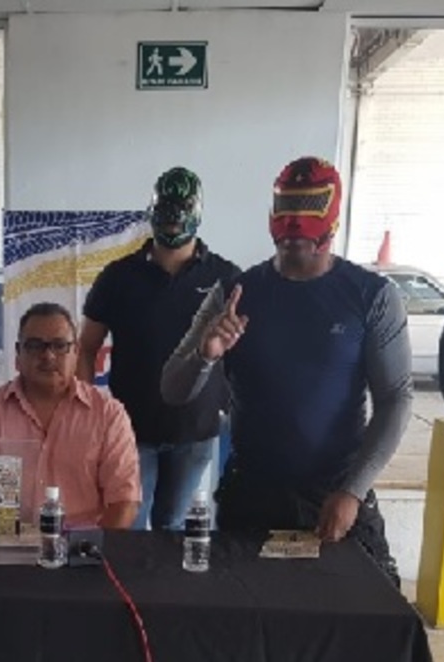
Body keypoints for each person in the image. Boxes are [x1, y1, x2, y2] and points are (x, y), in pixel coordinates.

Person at [161, 156, 413, 584]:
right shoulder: (234, 294)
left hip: (334, 494)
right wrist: (206, 353)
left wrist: (353, 490)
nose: (295, 229)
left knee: (365, 613)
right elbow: (172, 388)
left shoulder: (371, 296)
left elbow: (395, 399)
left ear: (331, 221)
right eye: (288, 208)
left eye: (309, 208)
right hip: (253, 494)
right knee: (248, 615)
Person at [77, 166, 240, 530]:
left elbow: (242, 354)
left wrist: (235, 410)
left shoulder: (226, 277)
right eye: (165, 213)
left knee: (174, 529)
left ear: (196, 213)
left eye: (180, 213)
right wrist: (88, 410)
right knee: (128, 529)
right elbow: (86, 347)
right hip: (131, 430)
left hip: (195, 430)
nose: (172, 222)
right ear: (153, 212)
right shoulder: (118, 276)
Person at [0, 303, 141, 529]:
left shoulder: (108, 415)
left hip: (84, 545)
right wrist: (10, 545)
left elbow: (123, 503)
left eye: (60, 345)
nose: (48, 355)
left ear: (76, 352)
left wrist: (92, 548)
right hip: (6, 542)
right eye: (35, 346)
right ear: (18, 353)